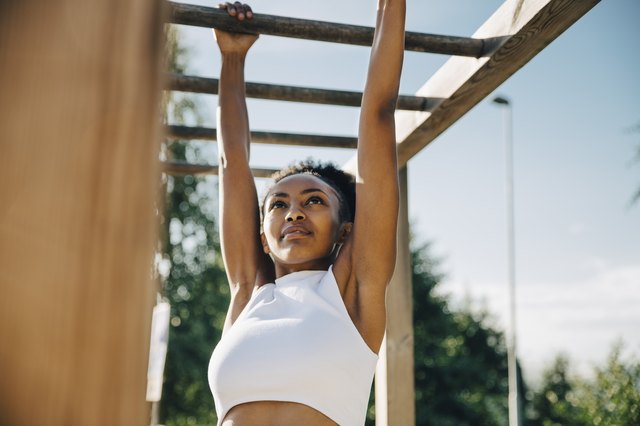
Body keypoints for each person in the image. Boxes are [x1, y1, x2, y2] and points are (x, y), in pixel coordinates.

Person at [208, 1, 405, 424]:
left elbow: (379, 115)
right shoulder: (249, 293)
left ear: (344, 230)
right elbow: (232, 162)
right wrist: (231, 58)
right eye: (278, 204)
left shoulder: (351, 290)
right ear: (263, 234)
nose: (294, 213)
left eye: (314, 200)